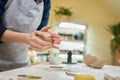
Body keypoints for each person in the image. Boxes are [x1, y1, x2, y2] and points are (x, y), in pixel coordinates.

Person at [0, 0, 61, 71]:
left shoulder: (46, 2)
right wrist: (27, 38)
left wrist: (44, 37)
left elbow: (39, 31)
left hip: (20, 63)